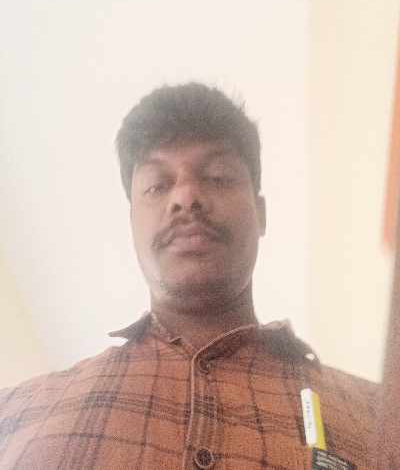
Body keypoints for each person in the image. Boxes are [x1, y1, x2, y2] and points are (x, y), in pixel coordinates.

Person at [0, 83, 377, 469]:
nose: (185, 197)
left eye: (218, 177)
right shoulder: (12, 414)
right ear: (132, 224)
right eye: (157, 185)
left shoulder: (381, 417)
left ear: (261, 213)